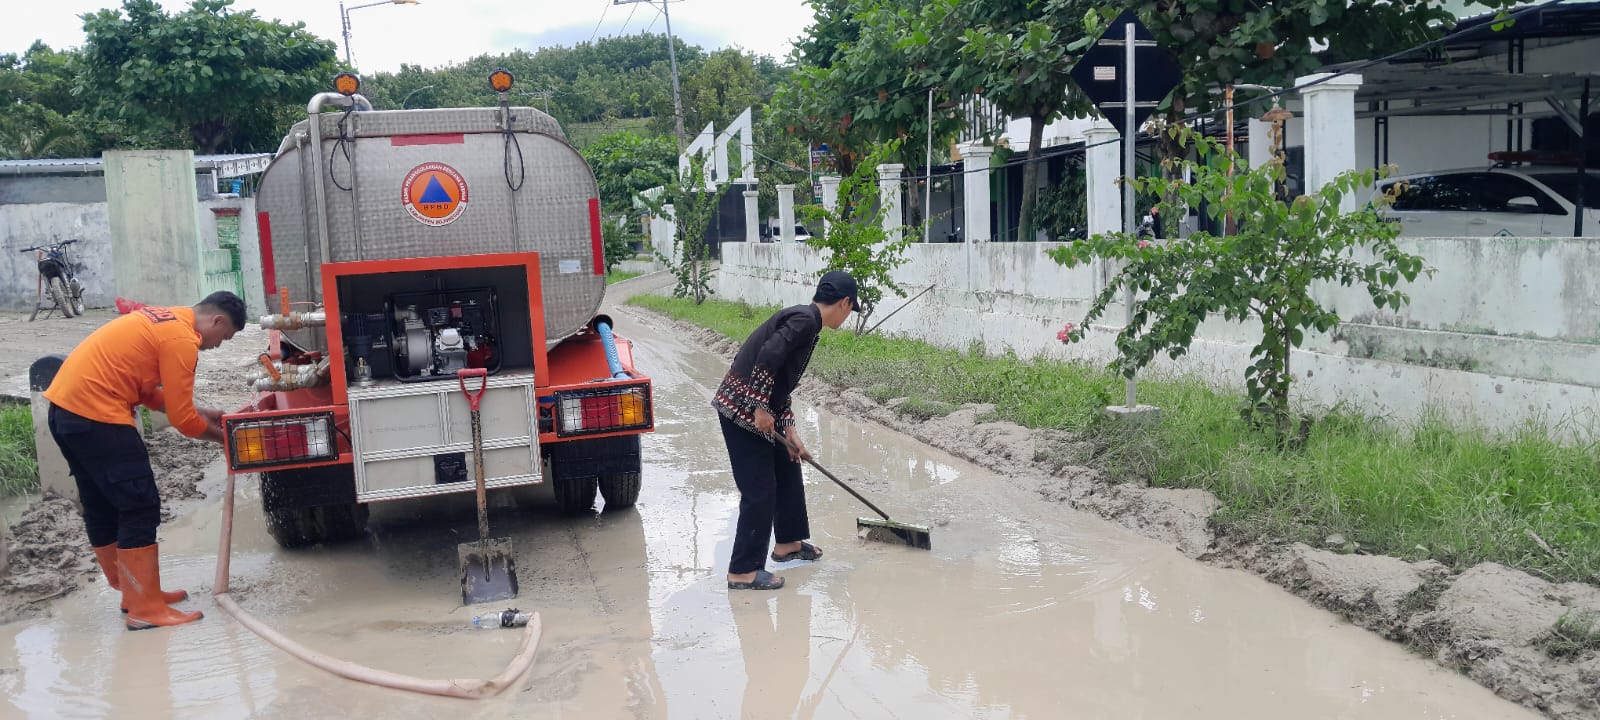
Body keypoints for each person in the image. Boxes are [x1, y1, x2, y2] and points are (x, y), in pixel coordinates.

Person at [43, 291, 246, 630]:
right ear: (217, 321)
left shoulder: (161, 318)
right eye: (223, 338)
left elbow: (146, 392)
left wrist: (200, 411)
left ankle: (135, 594)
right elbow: (183, 422)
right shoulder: (182, 339)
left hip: (65, 413)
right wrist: (223, 440)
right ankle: (145, 608)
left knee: (102, 504)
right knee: (139, 504)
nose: (217, 346)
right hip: (98, 416)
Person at [712, 271, 858, 591]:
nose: (848, 316)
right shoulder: (805, 320)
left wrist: (789, 430)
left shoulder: (807, 322)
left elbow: (780, 383)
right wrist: (759, 407)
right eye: (851, 309)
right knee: (760, 490)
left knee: (788, 462)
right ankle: (743, 571)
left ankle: (788, 543)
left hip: (757, 409)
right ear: (845, 302)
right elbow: (768, 356)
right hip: (741, 413)